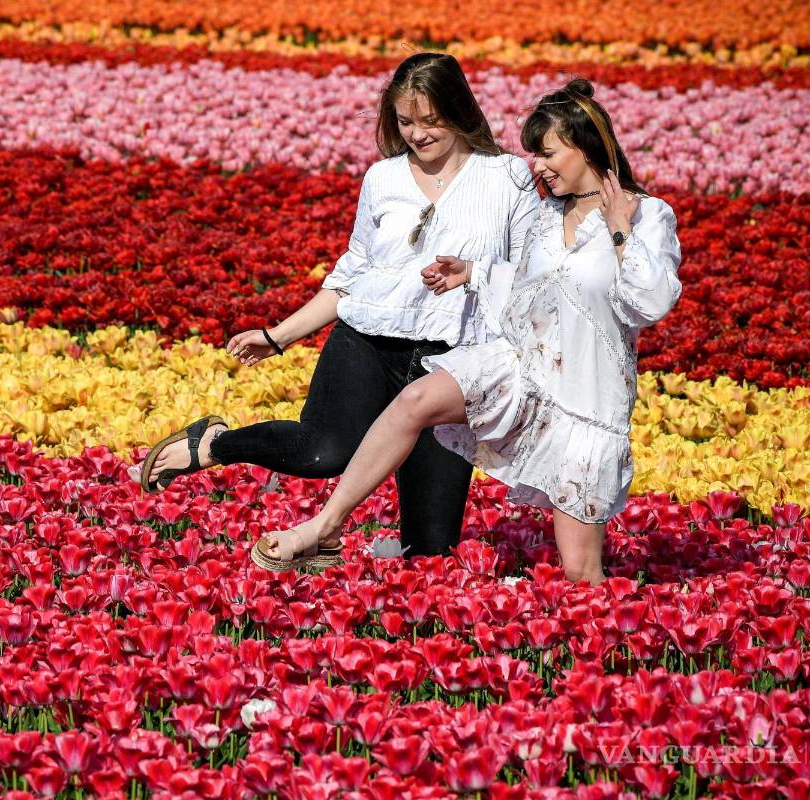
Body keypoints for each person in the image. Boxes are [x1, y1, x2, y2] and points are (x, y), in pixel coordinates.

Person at [250, 79, 682, 583]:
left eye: (546, 153)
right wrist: (473, 273)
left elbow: (650, 302)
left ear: (586, 145)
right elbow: (529, 289)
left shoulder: (647, 215)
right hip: (520, 369)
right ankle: (322, 528)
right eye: (532, 154)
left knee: (581, 574)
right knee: (416, 401)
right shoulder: (546, 215)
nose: (536, 166)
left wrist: (618, 228)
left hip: (584, 403)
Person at [139, 52, 540, 559]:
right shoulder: (383, 179)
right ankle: (215, 443)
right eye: (405, 120)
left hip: (452, 363)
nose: (416, 133)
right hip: (369, 343)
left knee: (432, 550)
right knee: (325, 451)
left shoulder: (508, 179)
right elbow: (350, 278)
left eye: (430, 120)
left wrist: (478, 277)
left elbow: (531, 277)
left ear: (459, 111)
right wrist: (277, 336)